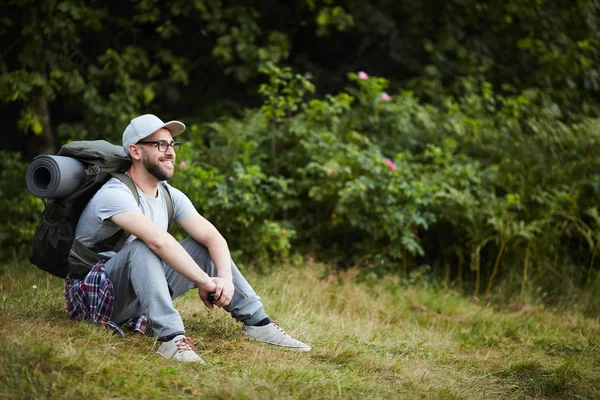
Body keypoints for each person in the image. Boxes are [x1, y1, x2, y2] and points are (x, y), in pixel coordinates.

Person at [65, 114, 310, 362]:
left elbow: (213, 237)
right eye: (160, 144)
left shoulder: (170, 195)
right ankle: (171, 340)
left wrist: (224, 279)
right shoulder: (115, 193)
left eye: (172, 144)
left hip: (138, 293)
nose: (170, 151)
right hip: (96, 298)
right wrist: (204, 281)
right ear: (135, 152)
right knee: (144, 246)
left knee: (201, 246)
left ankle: (258, 322)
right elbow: (158, 241)